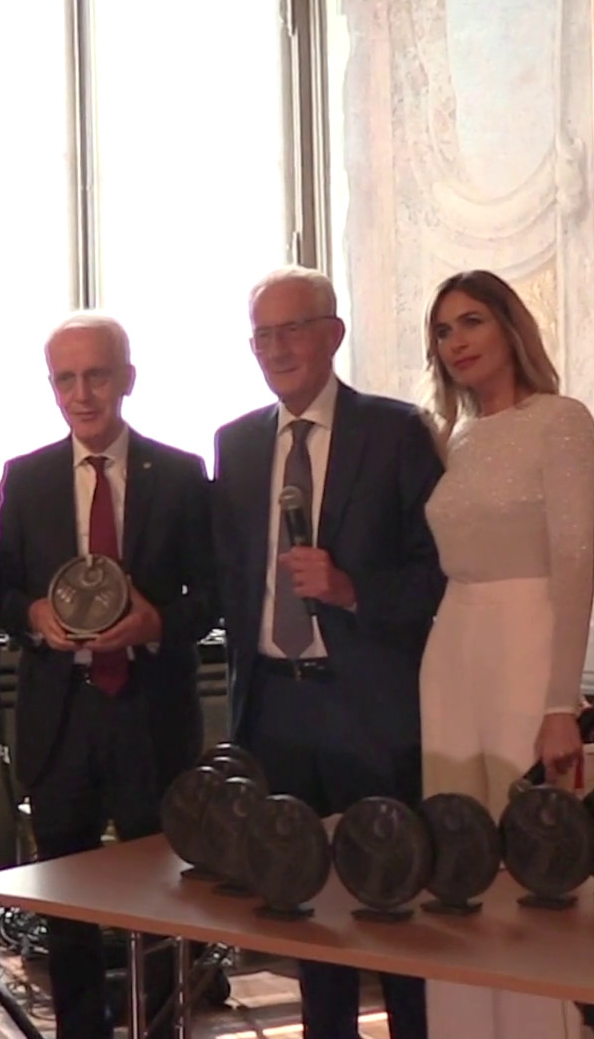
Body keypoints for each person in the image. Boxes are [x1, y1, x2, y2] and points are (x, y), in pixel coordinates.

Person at [210, 265, 443, 1039]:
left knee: (391, 898)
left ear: (333, 334)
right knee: (303, 906)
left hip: (369, 705)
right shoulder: (236, 444)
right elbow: (227, 573)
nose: (277, 349)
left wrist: (350, 590)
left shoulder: (396, 432)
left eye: (294, 329)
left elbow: (437, 573)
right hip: (274, 707)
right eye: (263, 336)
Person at [0, 313, 218, 1038]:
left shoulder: (180, 475)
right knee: (68, 899)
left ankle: (163, 1024)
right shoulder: (25, 478)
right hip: (61, 714)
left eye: (96, 376)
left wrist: (157, 625)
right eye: (66, 379)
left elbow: (214, 593)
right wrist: (33, 613)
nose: (82, 394)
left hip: (151, 712)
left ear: (127, 379)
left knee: (164, 891)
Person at [417, 269, 594, 1038]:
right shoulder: (449, 438)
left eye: (472, 322)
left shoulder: (560, 421)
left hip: (529, 638)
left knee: (532, 853)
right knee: (455, 854)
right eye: (443, 331)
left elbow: (576, 563)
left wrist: (561, 703)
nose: (456, 342)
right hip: (451, 648)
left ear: (508, 327)